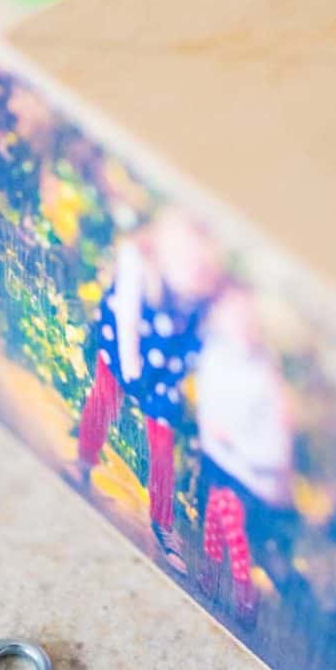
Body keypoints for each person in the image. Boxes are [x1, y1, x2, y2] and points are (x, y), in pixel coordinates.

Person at [74, 208, 222, 571]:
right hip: (124, 350)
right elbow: (126, 319)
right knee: (103, 400)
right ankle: (82, 461)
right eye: (188, 260)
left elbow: (201, 348)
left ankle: (163, 523)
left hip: (165, 369)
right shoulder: (137, 260)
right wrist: (131, 370)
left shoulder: (201, 290)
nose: (194, 270)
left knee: (162, 446)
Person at [195, 284, 295, 626]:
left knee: (231, 523)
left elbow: (268, 429)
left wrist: (235, 439)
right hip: (219, 458)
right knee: (215, 517)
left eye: (245, 316)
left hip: (248, 467)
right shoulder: (215, 353)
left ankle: (243, 594)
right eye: (231, 314)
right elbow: (211, 401)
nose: (239, 322)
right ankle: (214, 578)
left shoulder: (263, 365)